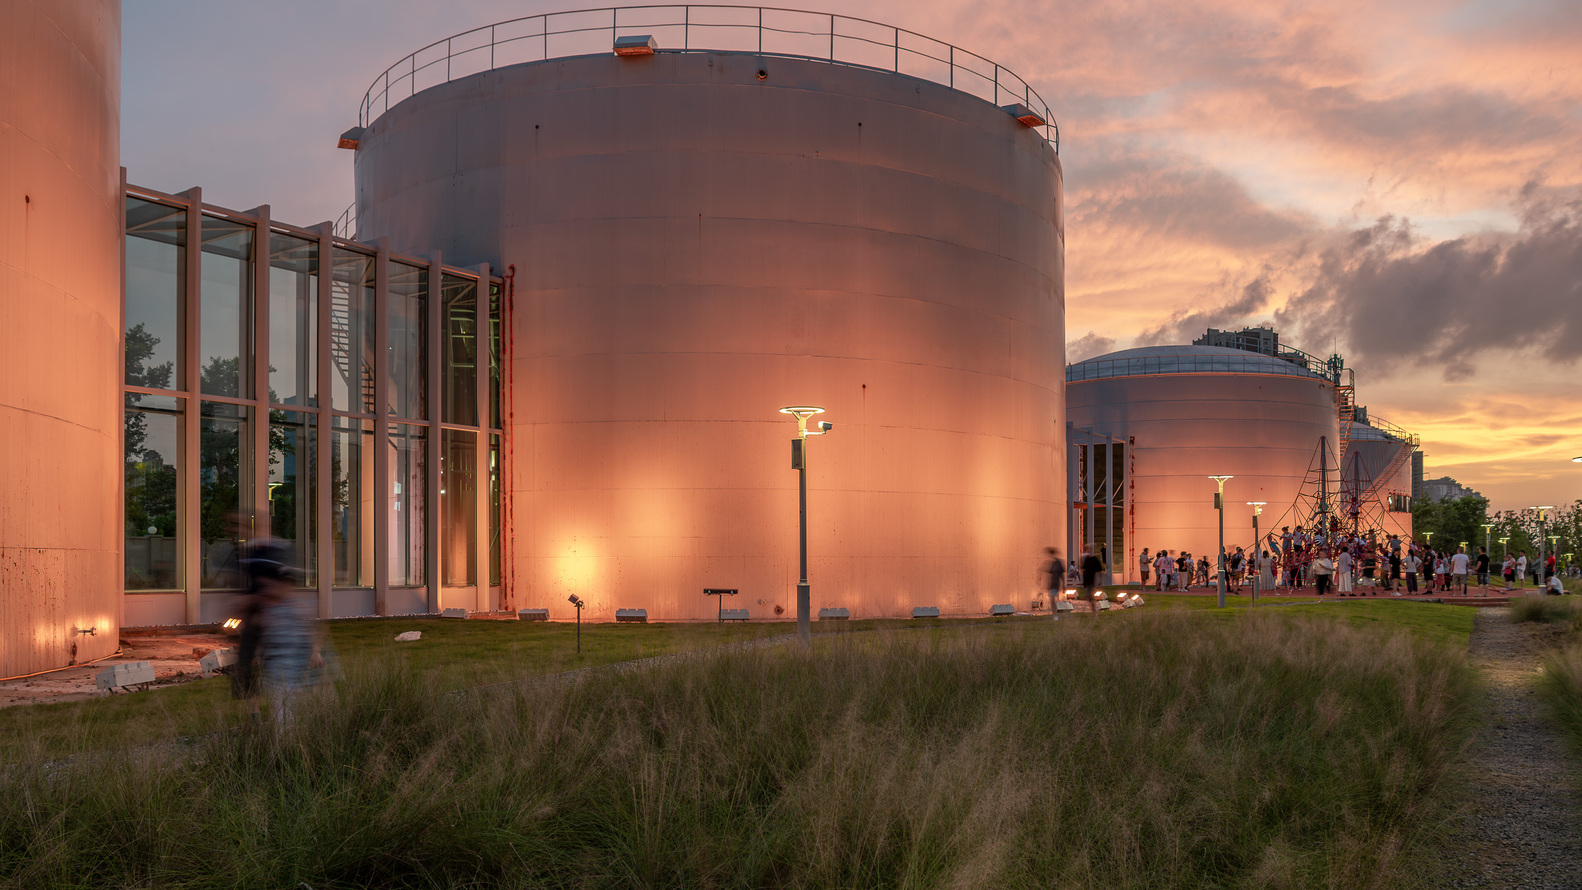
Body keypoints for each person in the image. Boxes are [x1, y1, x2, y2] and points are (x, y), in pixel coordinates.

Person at [1040, 547, 1064, 619]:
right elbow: (1049, 572)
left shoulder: (1058, 563)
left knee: (1052, 599)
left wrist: (1063, 583)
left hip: (1055, 584)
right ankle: (1055, 615)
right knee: (1052, 600)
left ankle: (1055, 615)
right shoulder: (1052, 563)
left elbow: (1061, 574)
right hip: (1051, 584)